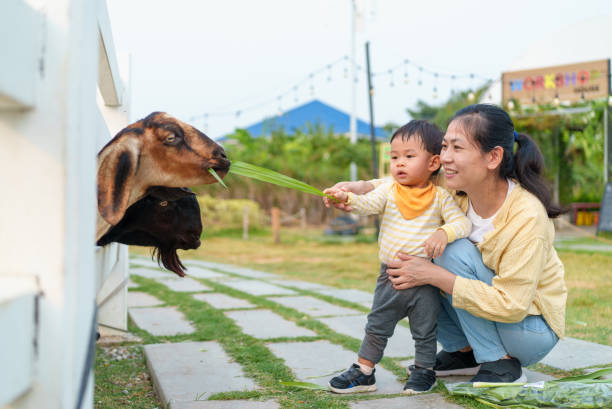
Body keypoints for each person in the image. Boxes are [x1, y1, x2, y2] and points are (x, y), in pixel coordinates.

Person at [327, 104, 567, 384]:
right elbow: (406, 180)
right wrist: (360, 187)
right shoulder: (457, 188)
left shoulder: (526, 215)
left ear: (493, 157)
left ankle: (498, 362)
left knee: (449, 249)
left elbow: (512, 305)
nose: (445, 158)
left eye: (457, 148)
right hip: (498, 319)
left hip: (528, 330)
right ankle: (464, 352)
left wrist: (435, 275)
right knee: (420, 259)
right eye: (444, 147)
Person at [324, 120, 471, 394]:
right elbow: (367, 203)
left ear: (433, 162)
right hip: (390, 276)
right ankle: (364, 371)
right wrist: (345, 198)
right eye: (394, 157)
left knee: (425, 330)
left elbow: (462, 224)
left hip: (425, 279)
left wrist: (443, 232)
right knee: (377, 325)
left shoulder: (440, 197)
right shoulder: (389, 190)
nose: (399, 164)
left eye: (409, 156)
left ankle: (424, 371)